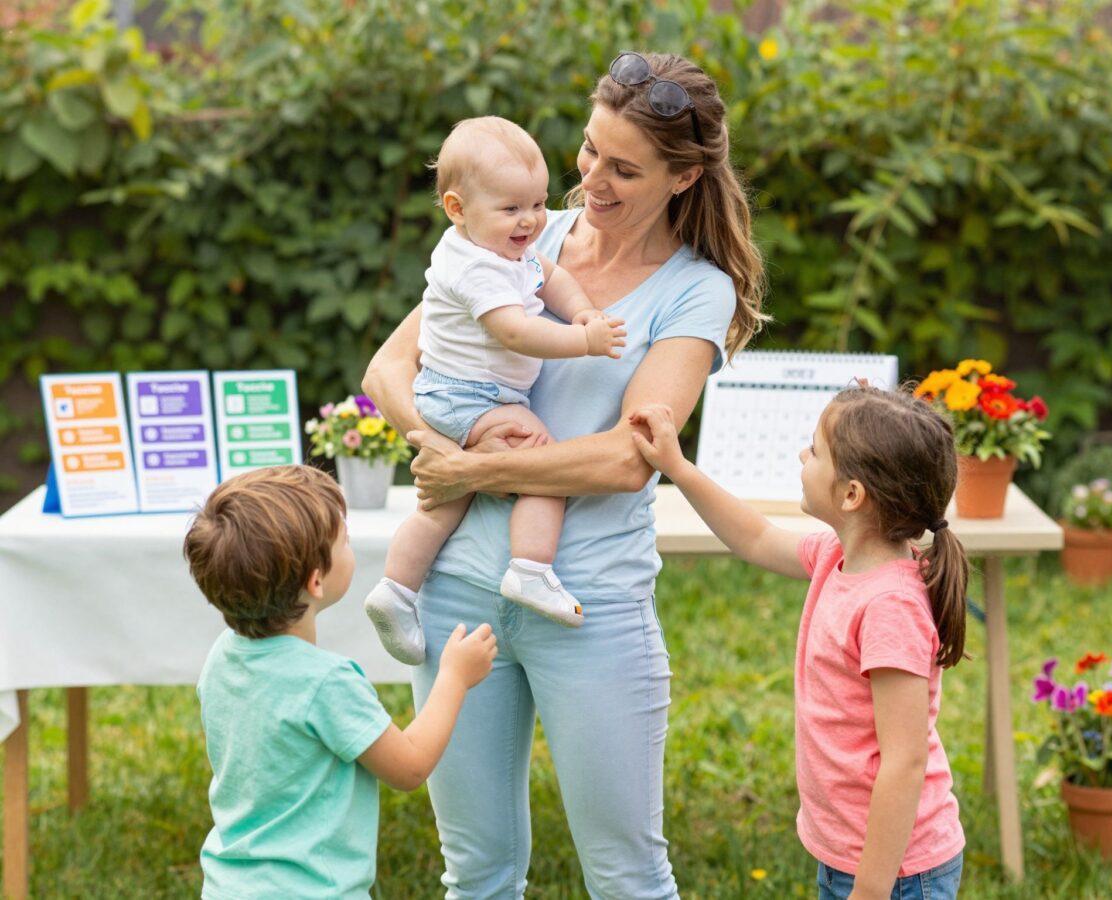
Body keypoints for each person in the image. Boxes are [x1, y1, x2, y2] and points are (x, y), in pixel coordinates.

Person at [362, 51, 767, 899]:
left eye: (625, 169)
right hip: (454, 599)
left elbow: (629, 457)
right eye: (589, 151)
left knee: (626, 875)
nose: (594, 181)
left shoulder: (698, 293)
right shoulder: (518, 232)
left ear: (685, 176)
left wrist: (473, 465)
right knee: (476, 872)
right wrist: (428, 441)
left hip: (589, 609)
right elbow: (390, 368)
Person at [629, 386, 967, 900]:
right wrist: (679, 467)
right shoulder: (839, 558)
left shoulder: (889, 608)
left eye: (815, 450)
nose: (801, 456)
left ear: (852, 495)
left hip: (896, 874)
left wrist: (871, 890)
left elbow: (905, 761)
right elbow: (757, 538)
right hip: (854, 857)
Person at [364, 115, 627, 666]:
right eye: (511, 209)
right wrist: (583, 338)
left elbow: (548, 277)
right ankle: (530, 568)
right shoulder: (477, 268)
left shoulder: (503, 247)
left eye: (537, 203)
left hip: (454, 394)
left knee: (447, 501)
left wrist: (580, 306)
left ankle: (395, 590)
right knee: (542, 462)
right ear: (458, 208)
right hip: (470, 396)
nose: (531, 221)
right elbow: (514, 330)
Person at [183, 465, 497, 899]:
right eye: (344, 540)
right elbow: (409, 767)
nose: (349, 545)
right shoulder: (326, 683)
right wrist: (454, 677)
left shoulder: (222, 655)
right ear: (316, 580)